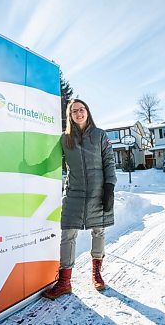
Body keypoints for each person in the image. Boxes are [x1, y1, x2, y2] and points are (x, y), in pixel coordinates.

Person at [42, 98, 117, 300]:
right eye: (74, 111)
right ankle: (64, 281)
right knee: (67, 234)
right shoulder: (64, 139)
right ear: (70, 116)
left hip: (98, 191)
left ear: (87, 111)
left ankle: (97, 273)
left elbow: (109, 162)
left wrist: (109, 188)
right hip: (74, 193)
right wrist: (31, 167)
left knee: (98, 231)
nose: (78, 113)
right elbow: (51, 162)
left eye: (81, 109)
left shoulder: (100, 135)